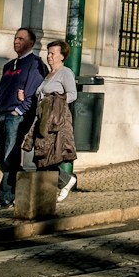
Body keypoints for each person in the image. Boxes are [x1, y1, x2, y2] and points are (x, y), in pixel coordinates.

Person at [0, 27, 46, 211]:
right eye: (15, 38)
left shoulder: (35, 64)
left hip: (15, 117)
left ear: (31, 43)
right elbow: (0, 90)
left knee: (9, 155)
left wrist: (20, 110)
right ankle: (21, 178)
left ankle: (6, 198)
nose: (16, 41)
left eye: (21, 38)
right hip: (0, 115)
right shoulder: (8, 66)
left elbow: (33, 93)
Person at [31, 39, 80, 202]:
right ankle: (52, 189)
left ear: (62, 56)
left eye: (53, 53)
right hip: (43, 118)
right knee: (41, 156)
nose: (49, 56)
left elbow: (72, 95)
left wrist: (55, 104)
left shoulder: (65, 72)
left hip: (55, 121)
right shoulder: (48, 74)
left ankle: (63, 181)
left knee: (48, 156)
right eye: (48, 53)